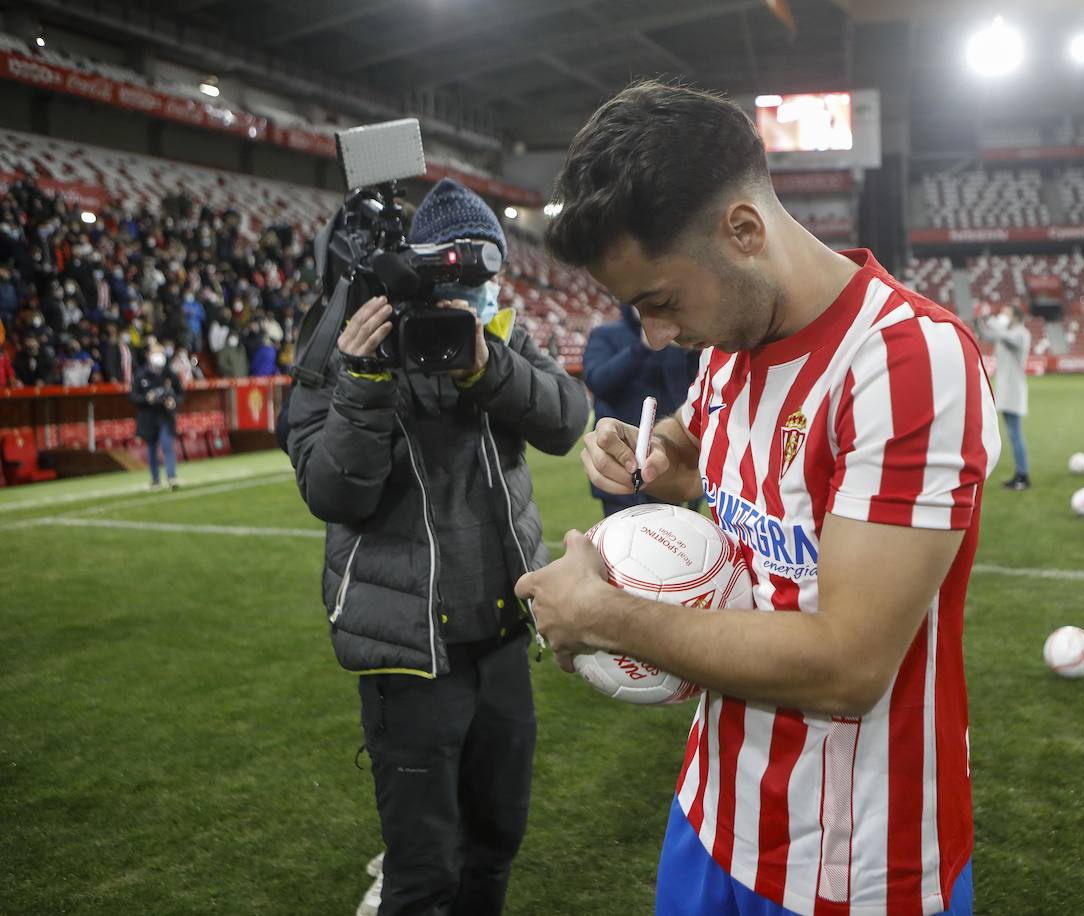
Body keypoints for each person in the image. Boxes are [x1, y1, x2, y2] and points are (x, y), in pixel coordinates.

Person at [517, 81, 998, 916]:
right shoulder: (732, 346)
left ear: (744, 231)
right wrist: (648, 451)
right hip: (713, 812)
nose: (656, 337)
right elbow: (694, 443)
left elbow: (849, 666)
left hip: (857, 866)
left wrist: (605, 616)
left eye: (661, 304)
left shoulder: (907, 362)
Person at [286, 178, 588, 916]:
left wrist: (487, 367)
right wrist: (362, 380)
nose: (473, 297)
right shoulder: (338, 346)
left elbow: (565, 420)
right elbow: (334, 494)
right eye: (456, 280)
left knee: (495, 847)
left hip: (503, 637)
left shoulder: (500, 339)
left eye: (484, 282)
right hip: (409, 654)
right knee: (423, 878)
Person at [580, 304, 700, 517]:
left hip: (667, 459)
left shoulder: (676, 338)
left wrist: (692, 352)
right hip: (621, 460)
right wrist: (643, 347)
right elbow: (599, 381)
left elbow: (693, 393)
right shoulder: (606, 334)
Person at [976, 304, 1031, 490]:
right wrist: (978, 320)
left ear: (1015, 316)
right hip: (1006, 391)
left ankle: (1023, 476)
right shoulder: (1005, 334)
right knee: (1013, 434)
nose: (1002, 315)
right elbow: (985, 335)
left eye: (1006, 313)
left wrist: (994, 321)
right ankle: (1019, 474)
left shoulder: (1021, 333)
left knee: (1016, 434)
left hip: (1014, 391)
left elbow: (1007, 338)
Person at [129, 347, 183, 491]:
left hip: (165, 415)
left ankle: (171, 477)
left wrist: (174, 401)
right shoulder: (141, 375)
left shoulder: (170, 374)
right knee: (152, 449)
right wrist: (146, 399)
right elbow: (133, 397)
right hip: (148, 416)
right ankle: (155, 480)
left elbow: (180, 393)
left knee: (167, 446)